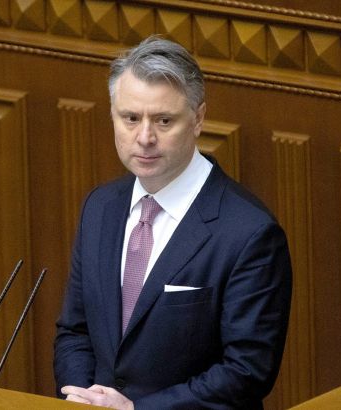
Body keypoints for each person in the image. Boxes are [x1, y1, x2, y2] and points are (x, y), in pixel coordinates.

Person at [54, 36, 292, 410]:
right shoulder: (100, 207)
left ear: (198, 119)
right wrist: (82, 398)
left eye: (164, 120)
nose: (144, 137)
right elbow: (75, 330)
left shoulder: (250, 233)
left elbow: (246, 371)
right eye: (131, 118)